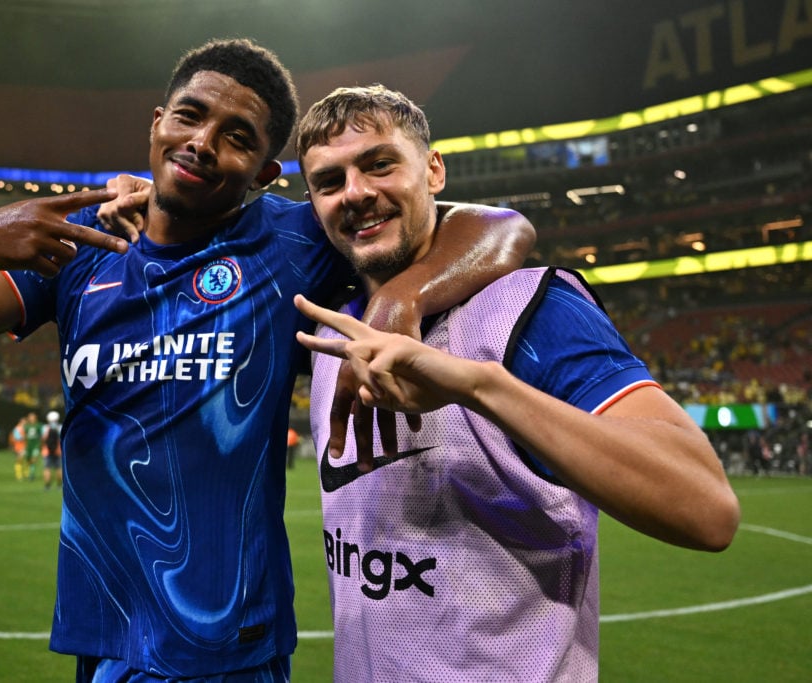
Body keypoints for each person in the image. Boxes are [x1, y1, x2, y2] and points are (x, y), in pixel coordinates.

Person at [0, 38, 533, 680]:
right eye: (190, 115)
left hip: (221, 643)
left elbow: (499, 226)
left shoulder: (287, 240)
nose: (203, 143)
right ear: (158, 122)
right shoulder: (80, 249)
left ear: (266, 175)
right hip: (101, 630)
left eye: (238, 137)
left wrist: (400, 301)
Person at [290, 84, 742, 682]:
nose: (357, 193)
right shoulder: (324, 331)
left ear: (434, 170)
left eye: (380, 164)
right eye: (330, 181)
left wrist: (481, 388)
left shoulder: (531, 308)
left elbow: (707, 510)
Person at [41, 410, 63, 491]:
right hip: (58, 451)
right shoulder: (60, 427)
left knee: (47, 468)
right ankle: (59, 486)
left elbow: (43, 439)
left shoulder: (45, 428)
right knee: (59, 468)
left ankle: (47, 486)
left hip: (47, 451)